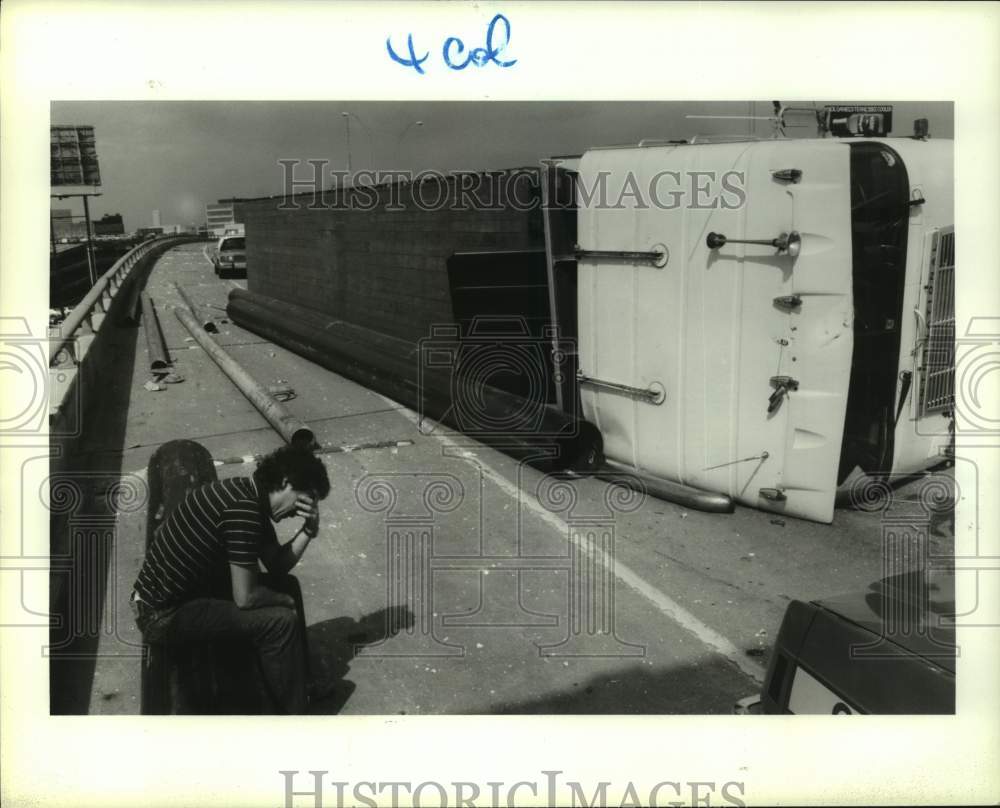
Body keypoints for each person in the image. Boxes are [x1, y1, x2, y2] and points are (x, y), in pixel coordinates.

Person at [131, 443, 331, 714]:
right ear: (285, 482)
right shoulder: (244, 510)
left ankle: (301, 688)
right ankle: (293, 716)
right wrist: (282, 602)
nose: (299, 512)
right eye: (303, 501)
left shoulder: (247, 495)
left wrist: (308, 530)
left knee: (289, 586)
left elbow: (277, 566)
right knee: (281, 621)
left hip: (183, 595)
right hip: (162, 615)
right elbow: (246, 598)